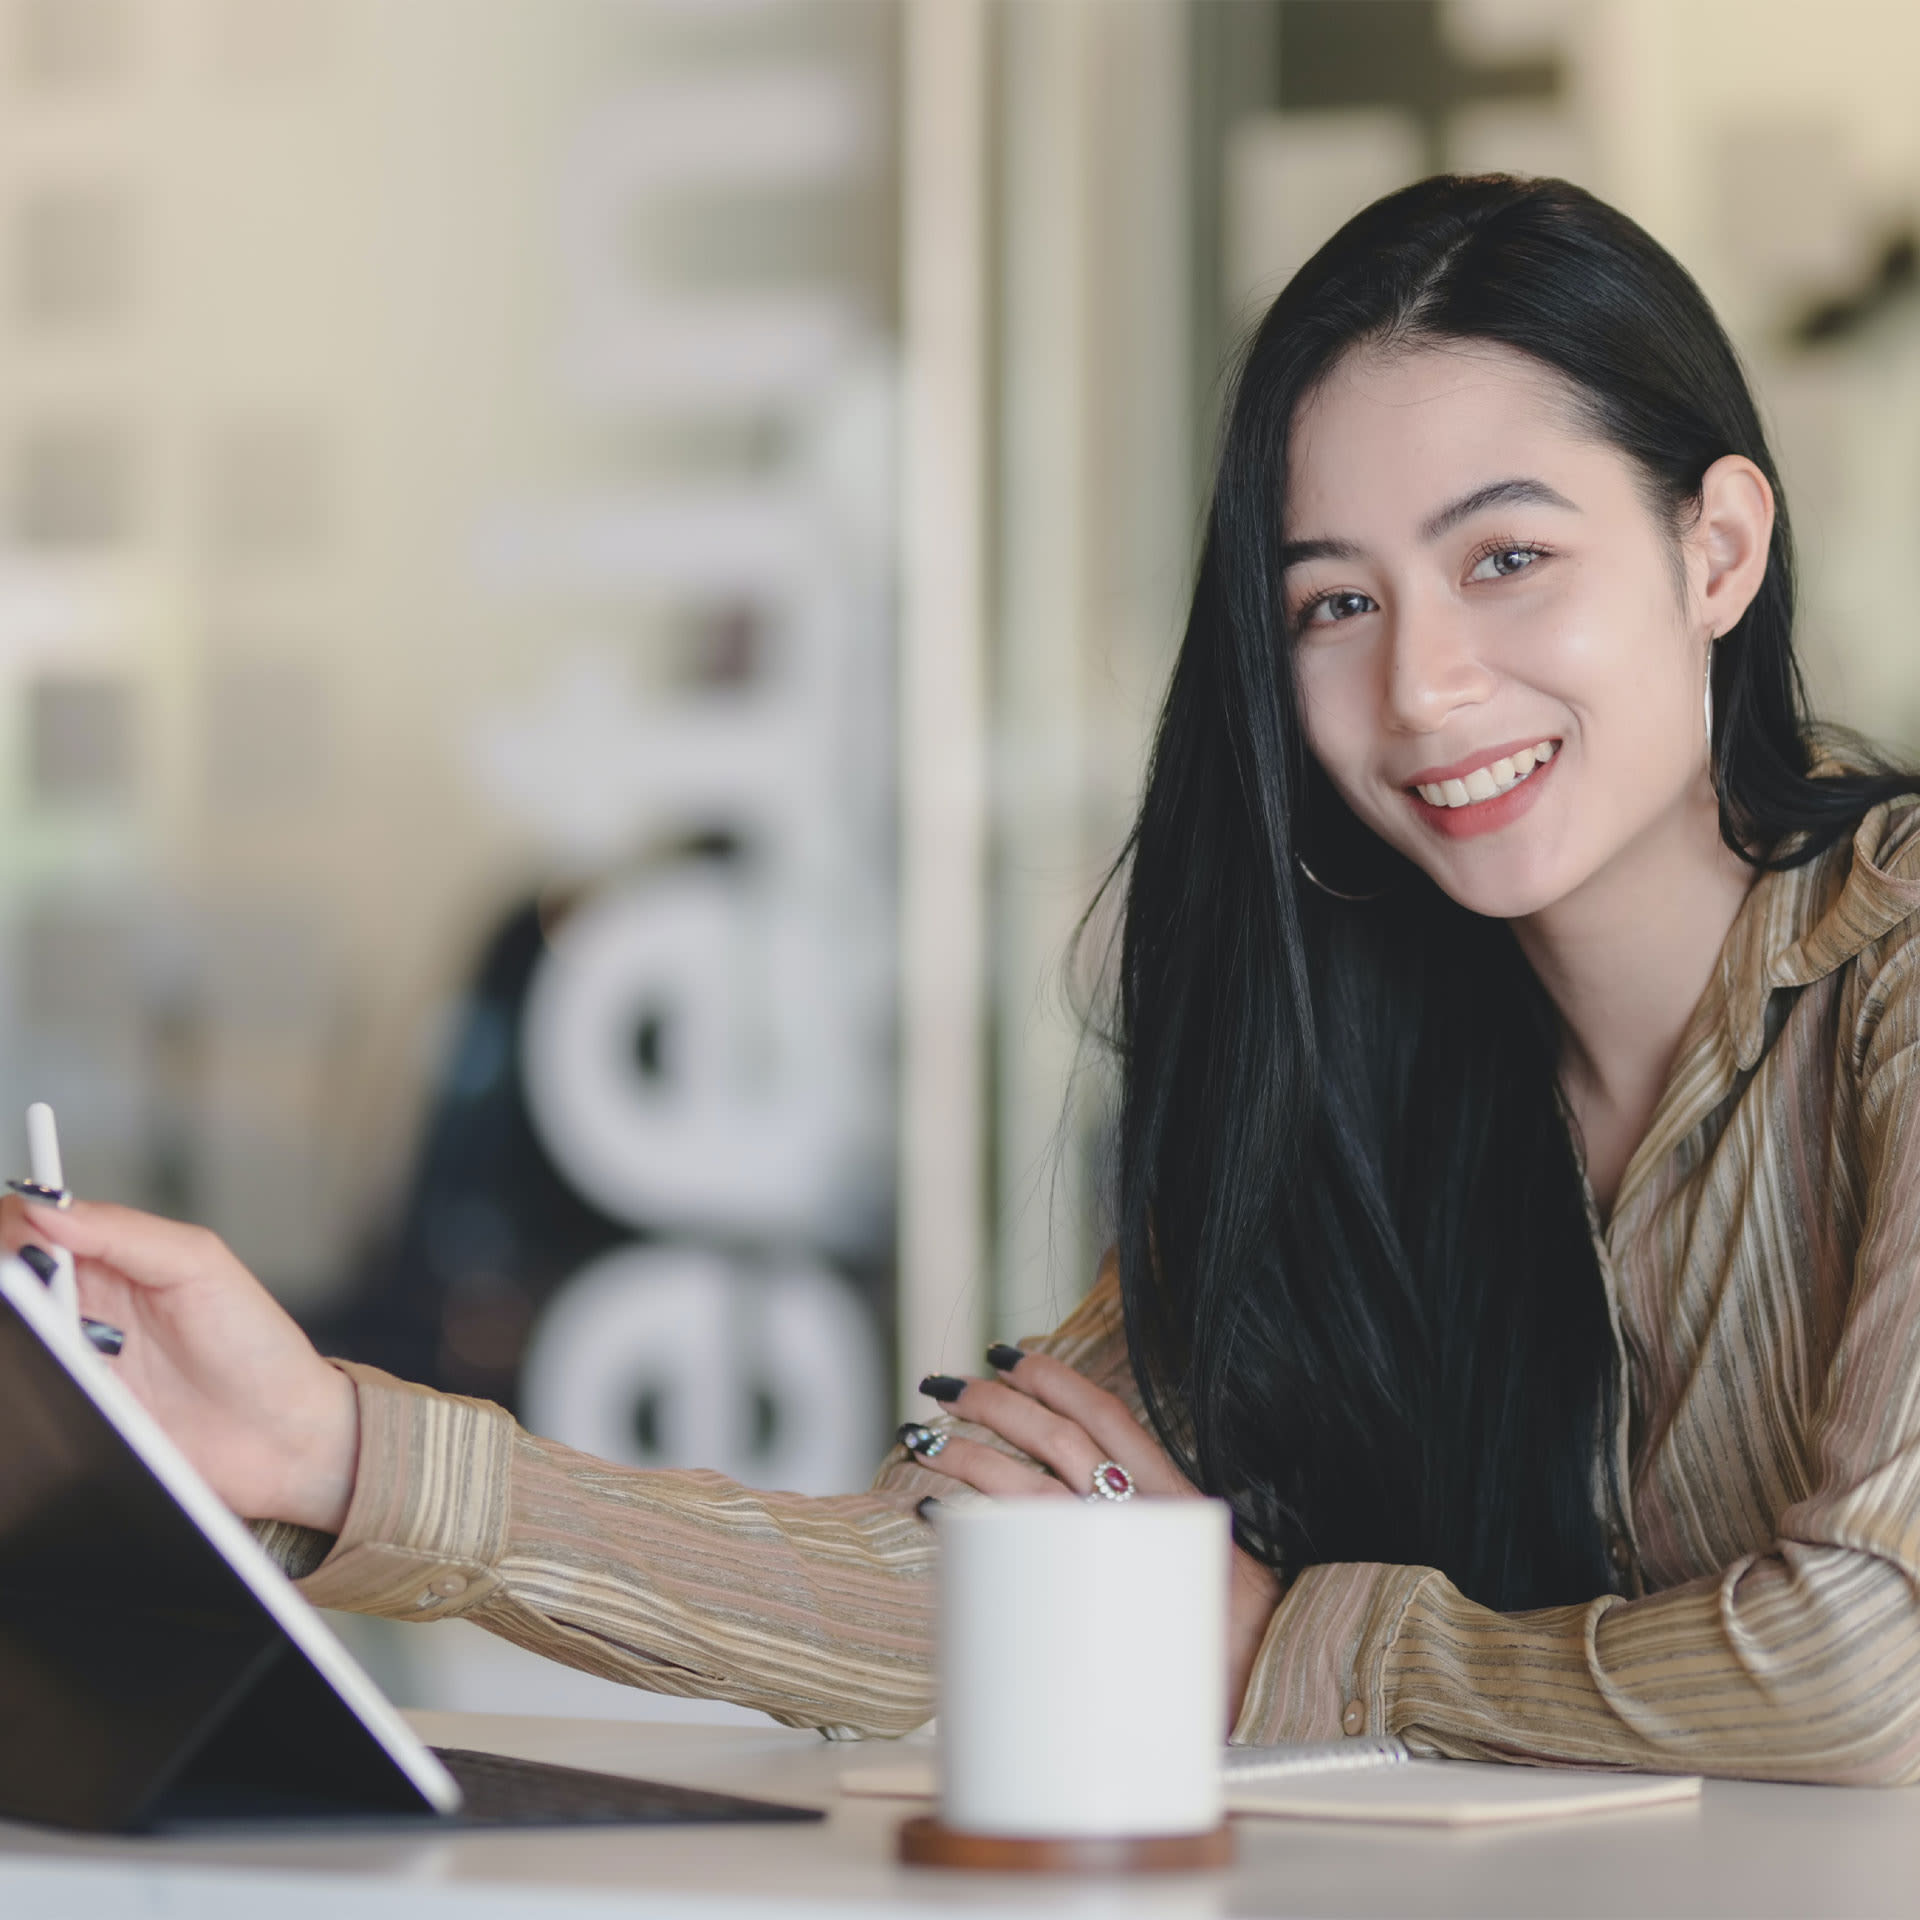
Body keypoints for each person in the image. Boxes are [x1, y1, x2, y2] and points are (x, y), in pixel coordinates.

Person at [11, 173, 1920, 1783]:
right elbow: (956, 1597)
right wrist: (337, 1447)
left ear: (1718, 548)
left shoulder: (1895, 973)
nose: (1420, 685)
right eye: (1334, 601)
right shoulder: (1356, 1058)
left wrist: (1283, 1651)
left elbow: (1867, 1664)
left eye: (1506, 558)